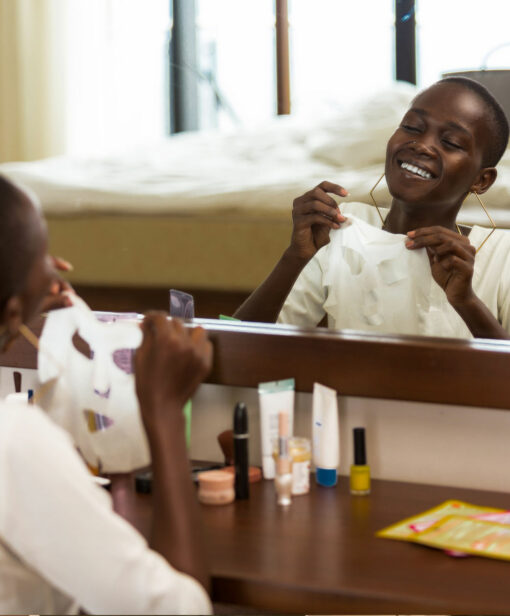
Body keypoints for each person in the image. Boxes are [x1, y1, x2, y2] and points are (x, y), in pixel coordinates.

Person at [0, 176, 213, 614]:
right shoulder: (13, 441)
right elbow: (180, 610)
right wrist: (165, 413)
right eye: (42, 256)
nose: (56, 267)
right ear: (13, 310)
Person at [234, 77, 510, 340]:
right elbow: (236, 344)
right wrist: (294, 257)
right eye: (412, 127)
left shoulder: (501, 254)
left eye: (450, 142)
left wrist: (467, 302)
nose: (422, 145)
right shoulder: (343, 228)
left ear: (481, 180)